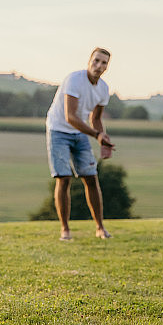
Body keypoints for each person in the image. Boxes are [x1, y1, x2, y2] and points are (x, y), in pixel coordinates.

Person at [45, 47, 116, 241]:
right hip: (58, 129)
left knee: (91, 177)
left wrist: (104, 139)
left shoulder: (103, 89)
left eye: (103, 63)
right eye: (96, 61)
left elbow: (97, 119)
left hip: (80, 132)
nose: (99, 66)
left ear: (107, 67)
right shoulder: (74, 80)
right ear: (89, 61)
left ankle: (100, 228)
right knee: (64, 178)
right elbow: (70, 117)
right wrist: (96, 135)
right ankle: (65, 230)